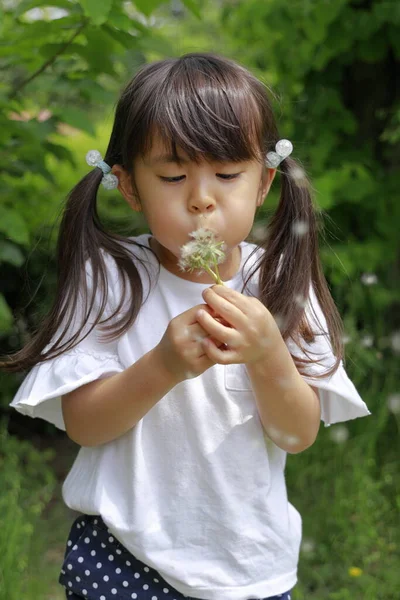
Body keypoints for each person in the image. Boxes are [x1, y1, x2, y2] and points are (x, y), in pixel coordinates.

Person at [3, 52, 371, 600]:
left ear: (264, 182)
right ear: (130, 187)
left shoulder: (280, 280)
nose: (202, 198)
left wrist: (270, 354)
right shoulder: (109, 277)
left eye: (227, 174)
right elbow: (84, 425)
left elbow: (298, 435)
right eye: (173, 176)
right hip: (121, 558)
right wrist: (163, 365)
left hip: (248, 567)